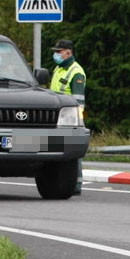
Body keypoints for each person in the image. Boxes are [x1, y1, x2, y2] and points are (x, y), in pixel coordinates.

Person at [50, 39, 86, 195]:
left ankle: (76, 184)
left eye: (59, 52)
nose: (56, 54)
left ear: (68, 52)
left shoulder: (76, 71)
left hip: (71, 117)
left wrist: (76, 121)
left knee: (73, 152)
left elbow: (79, 100)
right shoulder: (59, 69)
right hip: (57, 116)